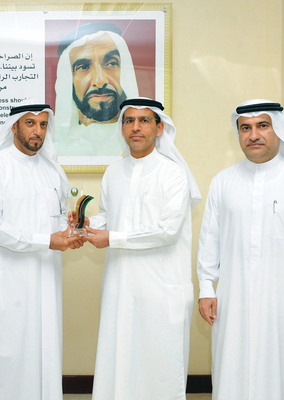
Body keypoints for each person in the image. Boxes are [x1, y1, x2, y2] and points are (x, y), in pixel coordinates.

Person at [197, 100, 284, 400]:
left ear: (278, 129)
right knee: (233, 373)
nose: (253, 135)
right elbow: (209, 240)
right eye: (245, 128)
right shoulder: (223, 182)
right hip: (233, 304)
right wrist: (206, 288)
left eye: (263, 126)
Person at [85, 98, 201, 399]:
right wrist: (87, 224)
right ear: (122, 128)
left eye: (144, 120)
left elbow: (167, 231)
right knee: (120, 360)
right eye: (129, 121)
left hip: (161, 288)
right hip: (120, 287)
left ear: (159, 128)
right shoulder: (113, 172)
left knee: (159, 365)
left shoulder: (173, 174)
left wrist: (111, 238)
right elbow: (109, 215)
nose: (136, 127)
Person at [0, 104, 85, 400]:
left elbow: (57, 220)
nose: (38, 131)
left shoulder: (52, 170)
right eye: (30, 123)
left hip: (45, 280)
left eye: (43, 125)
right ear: (14, 127)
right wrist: (47, 240)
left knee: (43, 353)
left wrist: (70, 231)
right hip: (6, 281)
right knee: (5, 357)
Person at [53, 22, 139, 157]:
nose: (100, 81)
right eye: (83, 67)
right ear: (68, 81)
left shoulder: (145, 145)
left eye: (111, 63)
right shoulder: (56, 150)